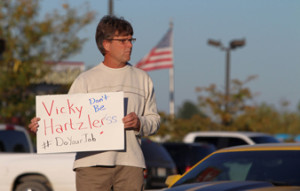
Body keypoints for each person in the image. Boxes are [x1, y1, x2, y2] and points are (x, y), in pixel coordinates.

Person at [28, 15, 160, 191]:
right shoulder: (85, 80)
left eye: (130, 39)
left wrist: (139, 123)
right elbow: (65, 121)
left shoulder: (143, 79)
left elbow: (154, 120)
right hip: (91, 165)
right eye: (123, 40)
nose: (130, 45)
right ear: (106, 44)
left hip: (130, 164)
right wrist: (43, 127)